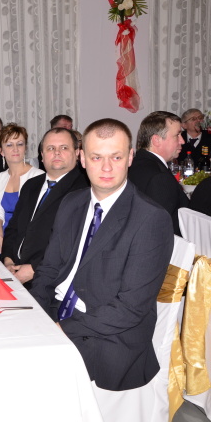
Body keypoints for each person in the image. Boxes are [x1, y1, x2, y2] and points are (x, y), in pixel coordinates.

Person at [29, 118, 173, 395]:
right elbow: (48, 269)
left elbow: (130, 309)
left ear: (130, 157)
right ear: (82, 159)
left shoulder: (150, 219)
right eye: (97, 157)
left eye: (116, 157)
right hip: (58, 315)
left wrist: (60, 328)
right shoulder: (72, 202)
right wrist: (35, 314)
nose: (106, 167)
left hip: (107, 338)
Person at [0, 128, 89, 287]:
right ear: (42, 155)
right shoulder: (31, 185)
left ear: (77, 153)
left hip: (49, 279)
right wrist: (7, 259)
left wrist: (34, 269)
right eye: (50, 148)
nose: (56, 153)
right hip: (13, 270)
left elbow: (74, 244)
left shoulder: (84, 190)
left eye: (64, 147)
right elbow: (13, 227)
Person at [0, 123, 43, 256]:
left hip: (25, 237)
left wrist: (8, 245)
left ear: (25, 148)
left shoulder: (38, 176)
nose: (15, 149)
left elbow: (37, 220)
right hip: (0, 232)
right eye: (9, 145)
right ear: (1, 151)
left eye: (20, 144)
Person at [128, 111, 189, 235]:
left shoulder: (134, 163)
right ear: (156, 140)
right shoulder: (160, 177)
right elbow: (159, 230)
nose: (182, 141)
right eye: (177, 135)